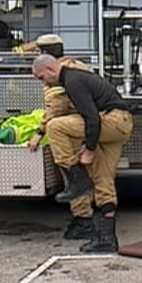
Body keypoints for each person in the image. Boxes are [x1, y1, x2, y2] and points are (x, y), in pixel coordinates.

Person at [31, 53, 133, 253]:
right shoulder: (76, 76)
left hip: (112, 121)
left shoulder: (72, 81)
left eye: (41, 78)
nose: (43, 84)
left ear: (51, 69)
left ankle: (76, 179)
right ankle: (106, 239)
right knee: (104, 181)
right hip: (120, 123)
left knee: (55, 127)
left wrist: (89, 149)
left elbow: (92, 119)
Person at [27, 34, 96, 241]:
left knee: (73, 175)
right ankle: (90, 216)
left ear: (44, 53)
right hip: (88, 125)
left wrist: (39, 133)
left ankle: (83, 220)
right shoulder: (76, 65)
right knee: (88, 174)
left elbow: (57, 107)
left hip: (70, 128)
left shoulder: (55, 74)